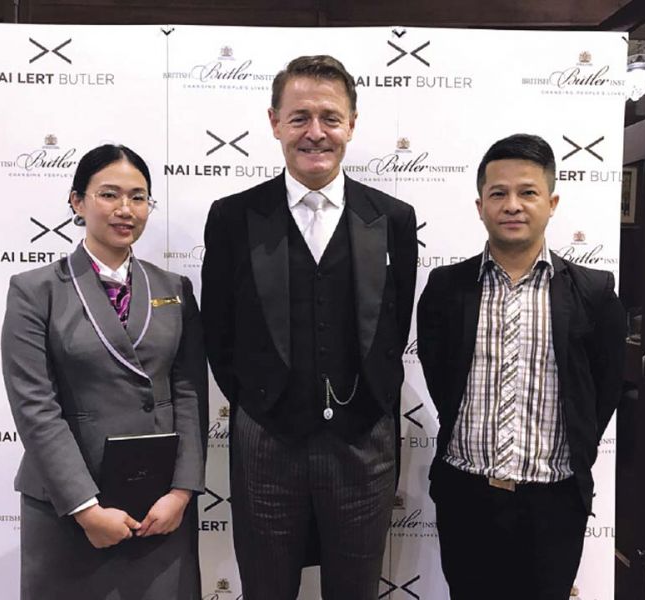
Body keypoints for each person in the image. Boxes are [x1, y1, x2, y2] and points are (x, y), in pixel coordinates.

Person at [201, 55, 417, 599]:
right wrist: (261, 401)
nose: (315, 132)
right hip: (266, 439)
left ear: (352, 124)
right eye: (299, 117)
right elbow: (218, 333)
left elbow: (392, 328)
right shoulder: (232, 217)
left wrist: (371, 400)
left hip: (364, 441)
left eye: (330, 117)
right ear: (275, 123)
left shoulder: (393, 217)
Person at [417, 133, 626, 600]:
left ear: (551, 203)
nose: (512, 205)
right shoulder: (447, 288)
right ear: (480, 206)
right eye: (499, 193)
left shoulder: (593, 292)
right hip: (465, 495)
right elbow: (439, 374)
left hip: (553, 500)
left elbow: (605, 388)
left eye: (527, 192)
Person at [1, 144, 207, 600]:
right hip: (70, 505)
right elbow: (35, 408)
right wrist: (85, 508)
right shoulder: (35, 291)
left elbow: (190, 393)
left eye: (138, 197)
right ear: (77, 202)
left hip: (159, 507)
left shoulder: (174, 288)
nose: (125, 209)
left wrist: (182, 491)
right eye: (109, 194)